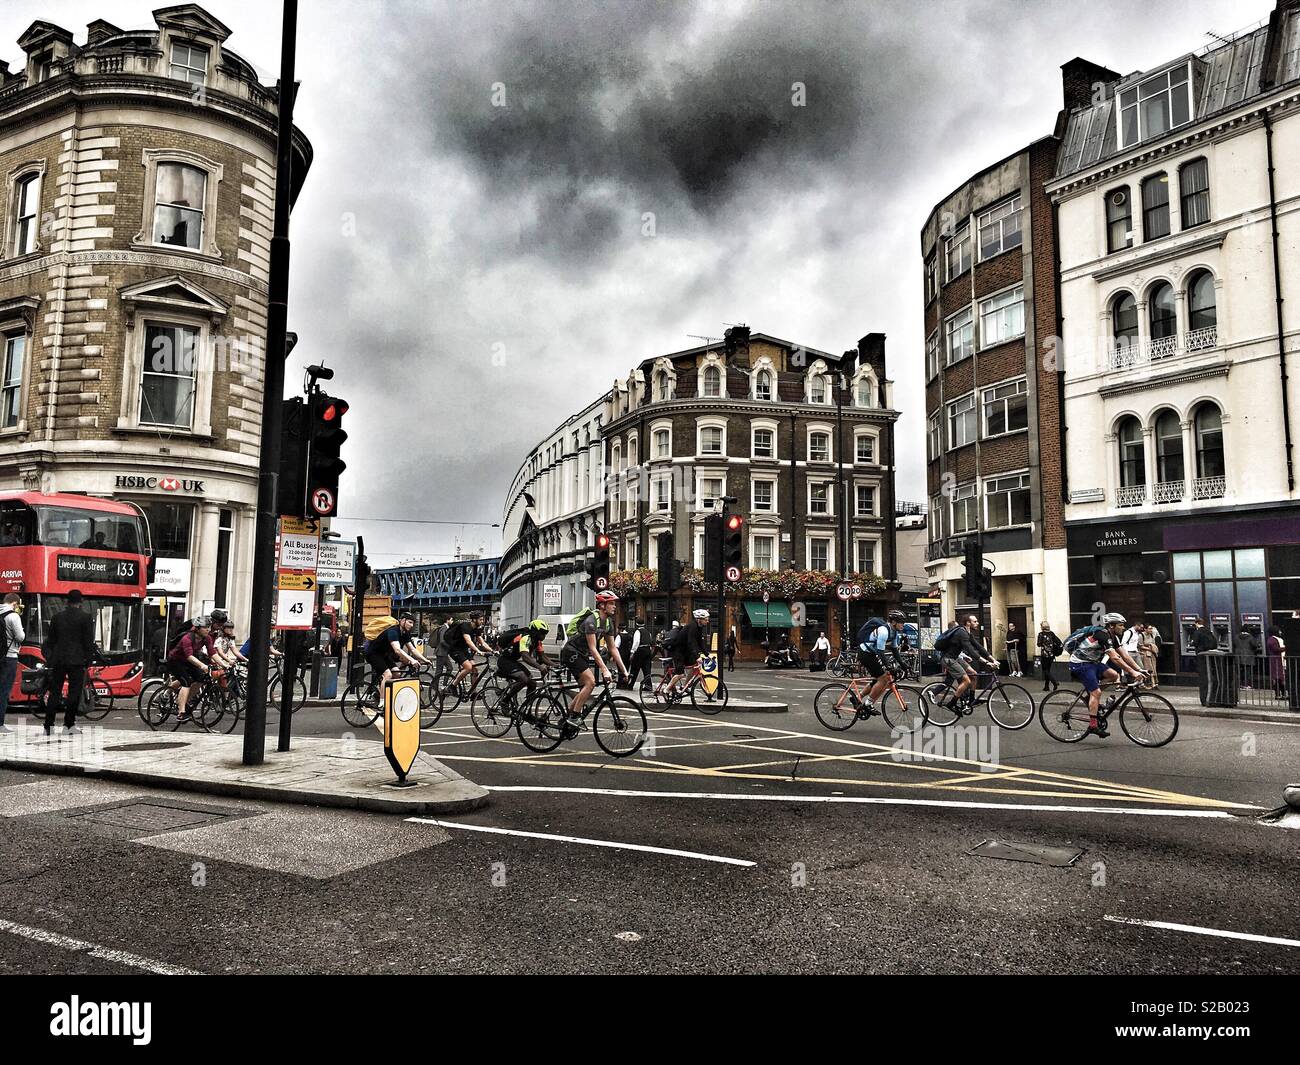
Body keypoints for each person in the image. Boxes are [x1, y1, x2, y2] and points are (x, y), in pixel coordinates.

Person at [1067, 612, 1147, 736]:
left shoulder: (1113, 637)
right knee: (1097, 693)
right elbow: (1115, 658)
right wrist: (1132, 672)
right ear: (1111, 626)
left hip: (1093, 663)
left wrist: (1139, 669)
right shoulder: (1102, 635)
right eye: (1120, 625)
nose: (1123, 628)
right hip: (1080, 664)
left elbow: (1124, 654)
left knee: (1114, 675)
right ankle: (1093, 725)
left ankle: (1091, 696)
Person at [559, 590, 627, 720]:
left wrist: (624, 670)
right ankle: (575, 717)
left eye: (614, 604)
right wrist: (604, 669)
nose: (614, 607)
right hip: (571, 652)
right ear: (602, 605)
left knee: (585, 687)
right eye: (611, 603)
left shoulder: (608, 623)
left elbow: (613, 648)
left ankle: (568, 717)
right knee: (590, 682)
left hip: (581, 654)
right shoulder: (591, 621)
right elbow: (593, 648)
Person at [42, 590, 98, 736]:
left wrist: (51, 658)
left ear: (67, 601)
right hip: (77, 661)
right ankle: (68, 725)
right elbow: (88, 642)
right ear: (81, 602)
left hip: (59, 660)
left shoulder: (56, 617)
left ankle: (48, 726)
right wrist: (88, 660)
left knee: (55, 692)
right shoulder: (85, 618)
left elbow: (50, 641)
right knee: (74, 693)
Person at [935, 615, 999, 710]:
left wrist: (993, 659)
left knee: (973, 674)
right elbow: (971, 650)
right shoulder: (961, 633)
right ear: (968, 623)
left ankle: (971, 700)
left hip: (955, 658)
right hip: (948, 659)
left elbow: (979, 647)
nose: (977, 623)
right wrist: (986, 662)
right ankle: (951, 703)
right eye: (975, 621)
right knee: (966, 680)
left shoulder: (967, 633)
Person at [165, 615, 217, 724]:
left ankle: (185, 700)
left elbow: (212, 653)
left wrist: (225, 664)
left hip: (188, 661)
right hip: (175, 660)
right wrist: (202, 666)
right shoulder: (187, 637)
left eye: (209, 627)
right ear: (197, 628)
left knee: (201, 679)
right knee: (185, 682)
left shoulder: (206, 638)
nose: (208, 629)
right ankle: (181, 712)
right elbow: (189, 656)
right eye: (205, 627)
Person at [854, 610, 908, 713]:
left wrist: (903, 665)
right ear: (893, 622)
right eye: (901, 622)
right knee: (883, 679)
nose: (903, 625)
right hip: (865, 653)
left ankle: (857, 698)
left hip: (871, 654)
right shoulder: (884, 631)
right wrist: (889, 667)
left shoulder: (894, 632)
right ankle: (868, 704)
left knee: (876, 681)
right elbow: (880, 652)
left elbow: (895, 650)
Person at [496, 618, 551, 708]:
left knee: (532, 683)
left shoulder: (537, 641)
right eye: (542, 632)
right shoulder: (525, 637)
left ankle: (525, 709)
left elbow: (543, 657)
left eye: (545, 633)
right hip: (504, 661)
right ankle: (504, 701)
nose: (543, 636)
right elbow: (525, 657)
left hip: (513, 661)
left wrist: (557, 665)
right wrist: (540, 667)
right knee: (524, 679)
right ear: (535, 631)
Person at [366, 613, 421, 686]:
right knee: (388, 675)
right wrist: (412, 660)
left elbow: (413, 650)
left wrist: (425, 660)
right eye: (410, 622)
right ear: (403, 621)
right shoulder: (393, 631)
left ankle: (386, 690)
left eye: (413, 623)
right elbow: (397, 650)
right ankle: (383, 697)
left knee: (397, 673)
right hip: (374, 654)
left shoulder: (405, 633)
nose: (412, 625)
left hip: (385, 655)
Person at [444, 611, 493, 691]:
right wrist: (478, 651)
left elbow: (482, 643)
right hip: (455, 650)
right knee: (469, 667)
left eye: (482, 620)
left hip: (464, 650)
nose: (482, 621)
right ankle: (452, 686)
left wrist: (492, 651)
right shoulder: (465, 626)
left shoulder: (476, 629)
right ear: (474, 620)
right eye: (480, 620)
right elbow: (468, 641)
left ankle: (473, 693)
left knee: (475, 670)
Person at [666, 609, 710, 698]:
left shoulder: (699, 627)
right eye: (705, 619)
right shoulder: (692, 627)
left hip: (685, 651)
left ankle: (684, 686)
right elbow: (691, 642)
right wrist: (697, 656)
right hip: (678, 650)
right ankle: (666, 690)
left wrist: (707, 654)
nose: (707, 621)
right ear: (699, 619)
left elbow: (699, 643)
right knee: (680, 674)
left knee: (694, 666)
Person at [0, 592, 25, 734]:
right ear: (14, 603)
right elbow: (20, 637)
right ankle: (0, 724)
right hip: (9, 657)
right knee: (3, 690)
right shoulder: (13, 616)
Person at [1191, 617, 1220, 706]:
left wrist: (1192, 642)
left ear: (1196, 623)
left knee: (1203, 679)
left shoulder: (1197, 632)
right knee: (1210, 677)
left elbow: (1194, 643)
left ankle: (1204, 700)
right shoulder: (1209, 632)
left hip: (1201, 657)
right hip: (1210, 657)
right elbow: (1215, 643)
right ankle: (1212, 698)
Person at [627, 620, 656, 691]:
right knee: (647, 670)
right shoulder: (648, 632)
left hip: (640, 651)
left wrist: (632, 652)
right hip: (647, 651)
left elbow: (636, 642)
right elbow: (650, 642)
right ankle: (648, 686)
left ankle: (630, 685)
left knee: (634, 669)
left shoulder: (637, 632)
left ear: (637, 624)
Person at [1036, 621, 1062, 693]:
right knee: (1048, 670)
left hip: (1044, 655)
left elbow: (1038, 644)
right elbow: (1058, 642)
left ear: (1042, 627)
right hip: (1051, 655)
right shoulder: (1052, 633)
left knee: (1045, 670)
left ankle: (1054, 682)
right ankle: (1046, 686)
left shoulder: (1041, 634)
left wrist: (1043, 644)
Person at [1267, 627, 1287, 699]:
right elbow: (1275, 649)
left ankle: (1283, 694)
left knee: (1280, 678)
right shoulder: (1272, 639)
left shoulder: (1273, 639)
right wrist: (1286, 648)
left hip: (1279, 660)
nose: (1280, 632)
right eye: (1279, 631)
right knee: (1277, 678)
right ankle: (1278, 694)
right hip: (1276, 661)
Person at [1139, 623, 1161, 688]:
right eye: (1149, 628)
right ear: (1145, 629)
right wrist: (1149, 648)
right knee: (1148, 668)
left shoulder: (1152, 635)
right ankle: (1148, 682)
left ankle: (1154, 683)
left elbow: (1154, 641)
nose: (1151, 630)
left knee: (1154, 668)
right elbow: (1140, 646)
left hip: (1152, 653)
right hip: (1145, 653)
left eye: (1151, 628)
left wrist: (1152, 649)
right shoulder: (1141, 635)